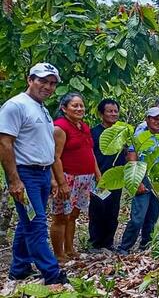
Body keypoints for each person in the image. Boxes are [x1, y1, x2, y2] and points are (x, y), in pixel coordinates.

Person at [0, 63, 68, 284]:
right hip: (25, 175)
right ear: (30, 79)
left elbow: (42, 145)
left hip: (41, 174)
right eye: (42, 81)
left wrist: (51, 177)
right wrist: (14, 180)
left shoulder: (42, 108)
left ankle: (19, 268)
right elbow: (4, 143)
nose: (47, 87)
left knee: (27, 223)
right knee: (37, 224)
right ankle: (52, 273)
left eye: (52, 83)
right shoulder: (16, 105)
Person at [51, 93, 101, 262]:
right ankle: (59, 254)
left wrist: (97, 173)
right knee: (60, 217)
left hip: (85, 179)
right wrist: (61, 182)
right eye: (75, 106)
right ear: (64, 108)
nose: (79, 109)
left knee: (73, 215)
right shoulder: (60, 127)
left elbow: (90, 151)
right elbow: (55, 157)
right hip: (67, 177)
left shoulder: (84, 126)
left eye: (81, 105)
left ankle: (70, 250)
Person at [117, 107, 159, 255]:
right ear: (147, 119)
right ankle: (124, 247)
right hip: (142, 179)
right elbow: (132, 159)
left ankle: (145, 245)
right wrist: (138, 182)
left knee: (153, 216)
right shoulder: (139, 136)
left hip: (157, 181)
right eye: (154, 118)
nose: (158, 122)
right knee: (138, 217)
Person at [89, 99, 127, 252]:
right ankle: (95, 243)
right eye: (109, 111)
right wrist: (97, 175)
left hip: (117, 178)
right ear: (101, 114)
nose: (113, 114)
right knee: (98, 209)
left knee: (113, 210)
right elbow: (90, 155)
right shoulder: (95, 132)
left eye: (115, 111)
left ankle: (108, 242)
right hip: (99, 178)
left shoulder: (122, 131)